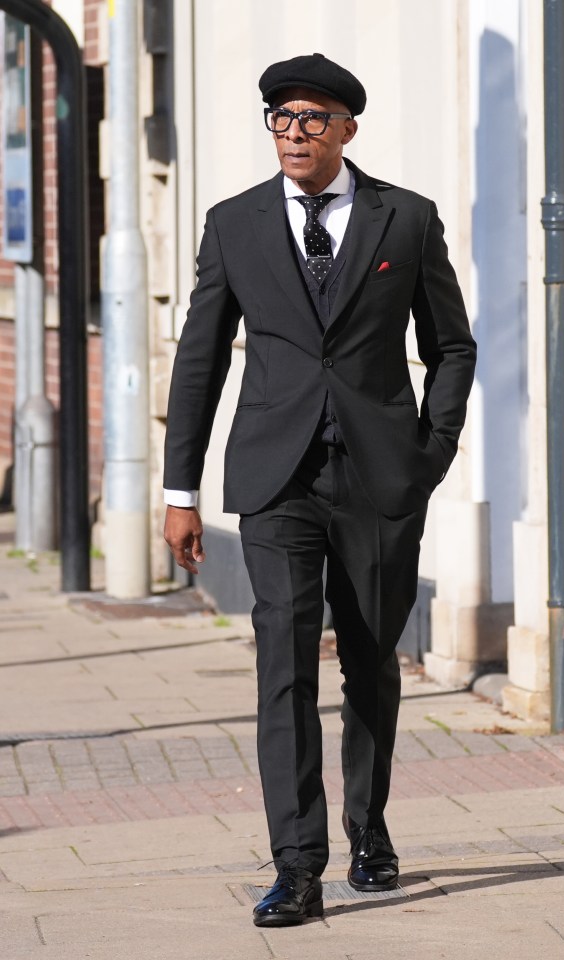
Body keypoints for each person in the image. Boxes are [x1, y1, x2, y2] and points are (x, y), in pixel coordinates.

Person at [163, 53, 476, 927]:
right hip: (275, 481)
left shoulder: (405, 220)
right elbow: (198, 361)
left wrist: (430, 454)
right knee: (282, 667)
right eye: (279, 119)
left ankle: (368, 829)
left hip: (377, 480)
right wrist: (177, 488)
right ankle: (296, 866)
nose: (293, 134)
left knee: (371, 662)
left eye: (310, 119)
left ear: (346, 129)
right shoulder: (234, 225)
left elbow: (452, 346)